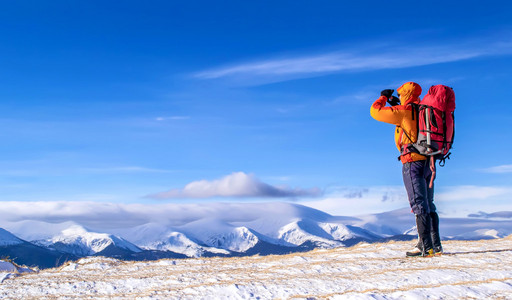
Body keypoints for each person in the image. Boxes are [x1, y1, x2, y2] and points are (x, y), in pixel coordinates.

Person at [370, 82, 442, 257]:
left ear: (404, 94)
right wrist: (396, 105)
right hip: (429, 162)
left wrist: (384, 97)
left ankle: (425, 247)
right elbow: (413, 125)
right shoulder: (424, 110)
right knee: (429, 204)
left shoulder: (404, 112)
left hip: (412, 162)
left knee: (418, 204)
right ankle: (435, 246)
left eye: (401, 95)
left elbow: (375, 111)